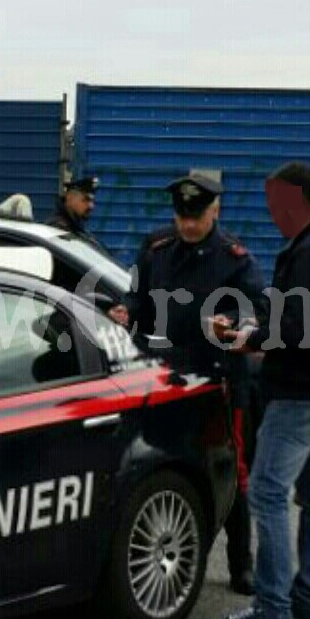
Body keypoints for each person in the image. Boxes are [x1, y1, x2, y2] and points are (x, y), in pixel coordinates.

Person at [211, 162, 310, 619]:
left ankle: (272, 607)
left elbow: (296, 329)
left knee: (269, 491)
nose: (272, 213)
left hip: (301, 392)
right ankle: (309, 599)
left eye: (278, 203)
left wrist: (245, 339)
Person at [109, 173, 268, 595]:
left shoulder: (234, 257)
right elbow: (137, 296)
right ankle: (169, 552)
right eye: (182, 217)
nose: (188, 226)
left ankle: (241, 563)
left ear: (215, 211)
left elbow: (260, 311)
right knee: (163, 466)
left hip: (217, 381)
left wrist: (233, 324)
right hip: (164, 378)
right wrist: (125, 311)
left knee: (231, 471)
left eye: (196, 217)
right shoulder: (157, 248)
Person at [47, 176, 108, 253]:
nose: (91, 206)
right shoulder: (57, 230)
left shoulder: (75, 227)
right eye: (86, 199)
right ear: (69, 198)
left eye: (92, 201)